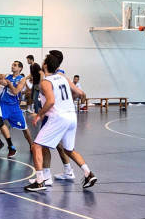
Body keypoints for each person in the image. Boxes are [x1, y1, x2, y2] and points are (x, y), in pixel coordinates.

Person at [25, 54, 97, 192]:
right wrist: (67, 101)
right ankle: (88, 173)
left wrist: (38, 115)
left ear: (45, 65)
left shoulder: (46, 82)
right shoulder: (63, 77)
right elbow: (80, 93)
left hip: (58, 117)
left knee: (36, 146)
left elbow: (51, 101)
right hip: (71, 116)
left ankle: (40, 181)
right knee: (68, 149)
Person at [0, 61, 33, 147]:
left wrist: (8, 83)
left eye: (15, 65)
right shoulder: (7, 76)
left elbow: (16, 91)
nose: (12, 66)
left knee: (24, 128)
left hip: (14, 107)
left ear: (20, 68)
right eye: (12, 64)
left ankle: (32, 145)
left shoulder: (22, 79)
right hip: (3, 105)